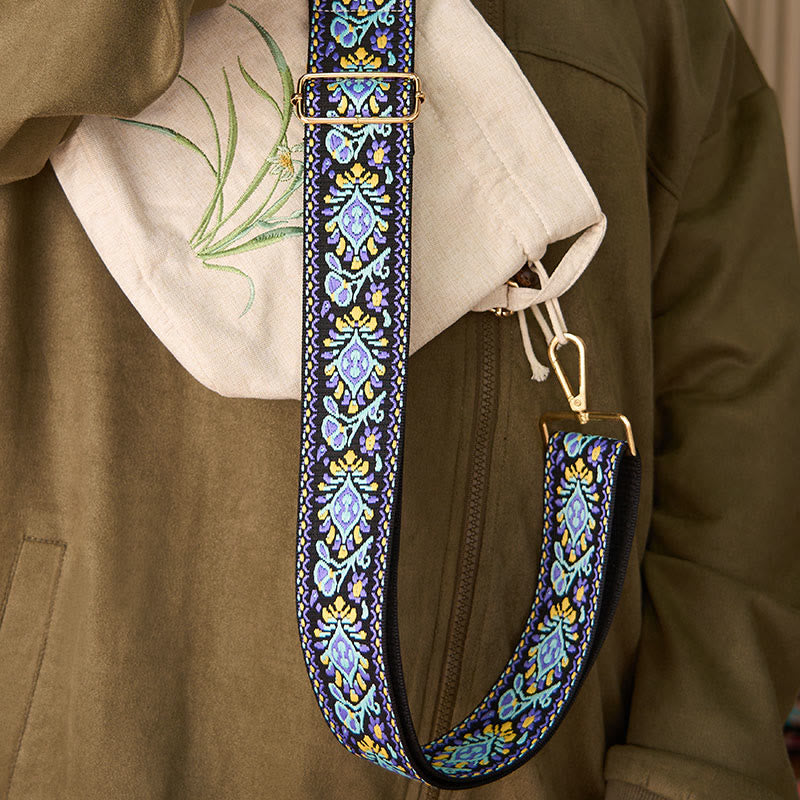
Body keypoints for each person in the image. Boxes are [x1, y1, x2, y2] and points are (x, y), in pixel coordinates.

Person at [0, 1, 798, 798]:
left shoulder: (665, 18)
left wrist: (688, 776)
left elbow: (739, 421)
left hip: (545, 751)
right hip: (112, 723)